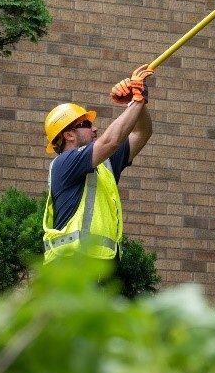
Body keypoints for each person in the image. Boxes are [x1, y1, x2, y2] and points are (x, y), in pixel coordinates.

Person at [42, 65, 153, 270]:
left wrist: (137, 102)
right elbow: (110, 141)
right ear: (68, 134)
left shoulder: (105, 163)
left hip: (98, 267)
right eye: (86, 124)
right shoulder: (64, 163)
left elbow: (141, 134)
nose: (94, 128)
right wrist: (136, 101)